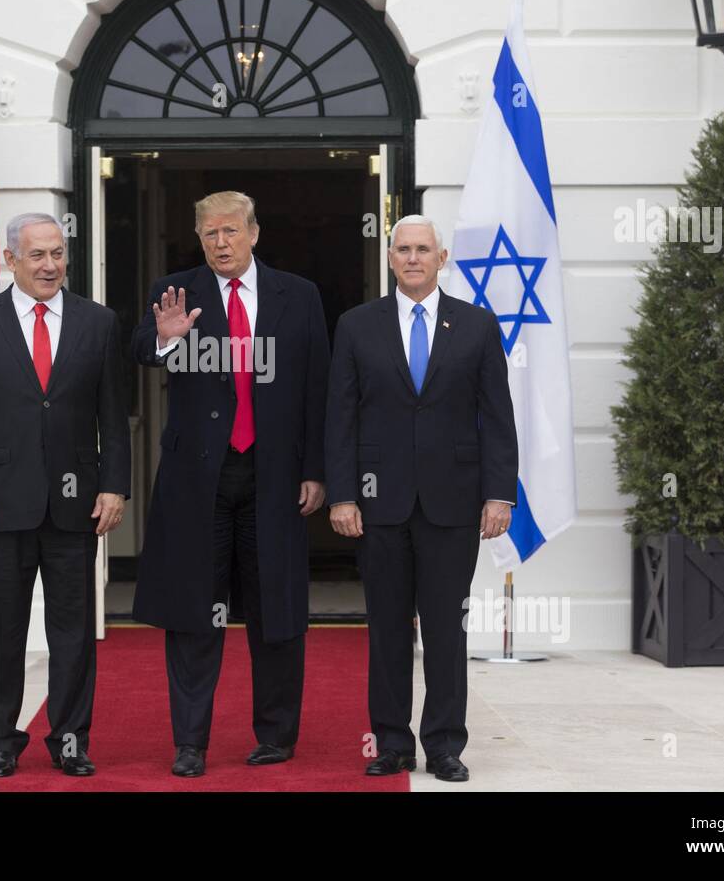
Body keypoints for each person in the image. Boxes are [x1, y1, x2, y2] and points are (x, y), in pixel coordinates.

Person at [131, 191, 330, 777]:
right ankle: (190, 742)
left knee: (276, 607)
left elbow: (318, 386)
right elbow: (140, 347)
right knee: (197, 610)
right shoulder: (176, 291)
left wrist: (316, 470)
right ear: (199, 238)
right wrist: (166, 338)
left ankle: (275, 734)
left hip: (275, 475)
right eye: (209, 234)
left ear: (254, 233)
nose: (221, 243)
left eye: (231, 231)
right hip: (199, 480)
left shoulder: (300, 295)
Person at [325, 214, 517, 782]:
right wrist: (341, 495)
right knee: (385, 628)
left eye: (423, 249)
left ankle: (444, 745)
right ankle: (390, 742)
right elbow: (341, 418)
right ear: (390, 259)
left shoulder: (478, 326)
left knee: (444, 628)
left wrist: (498, 494)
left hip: (454, 505)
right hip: (377, 502)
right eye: (402, 249)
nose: (412, 258)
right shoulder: (357, 325)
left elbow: (497, 419)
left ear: (442, 258)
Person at [0, 212, 131, 780]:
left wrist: (115, 485)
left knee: (73, 631)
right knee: (3, 630)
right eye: (37, 256)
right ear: (11, 261)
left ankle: (71, 739)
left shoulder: (98, 323)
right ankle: (1, 740)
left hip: (76, 507)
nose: (50, 265)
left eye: (57, 254)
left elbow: (113, 419)